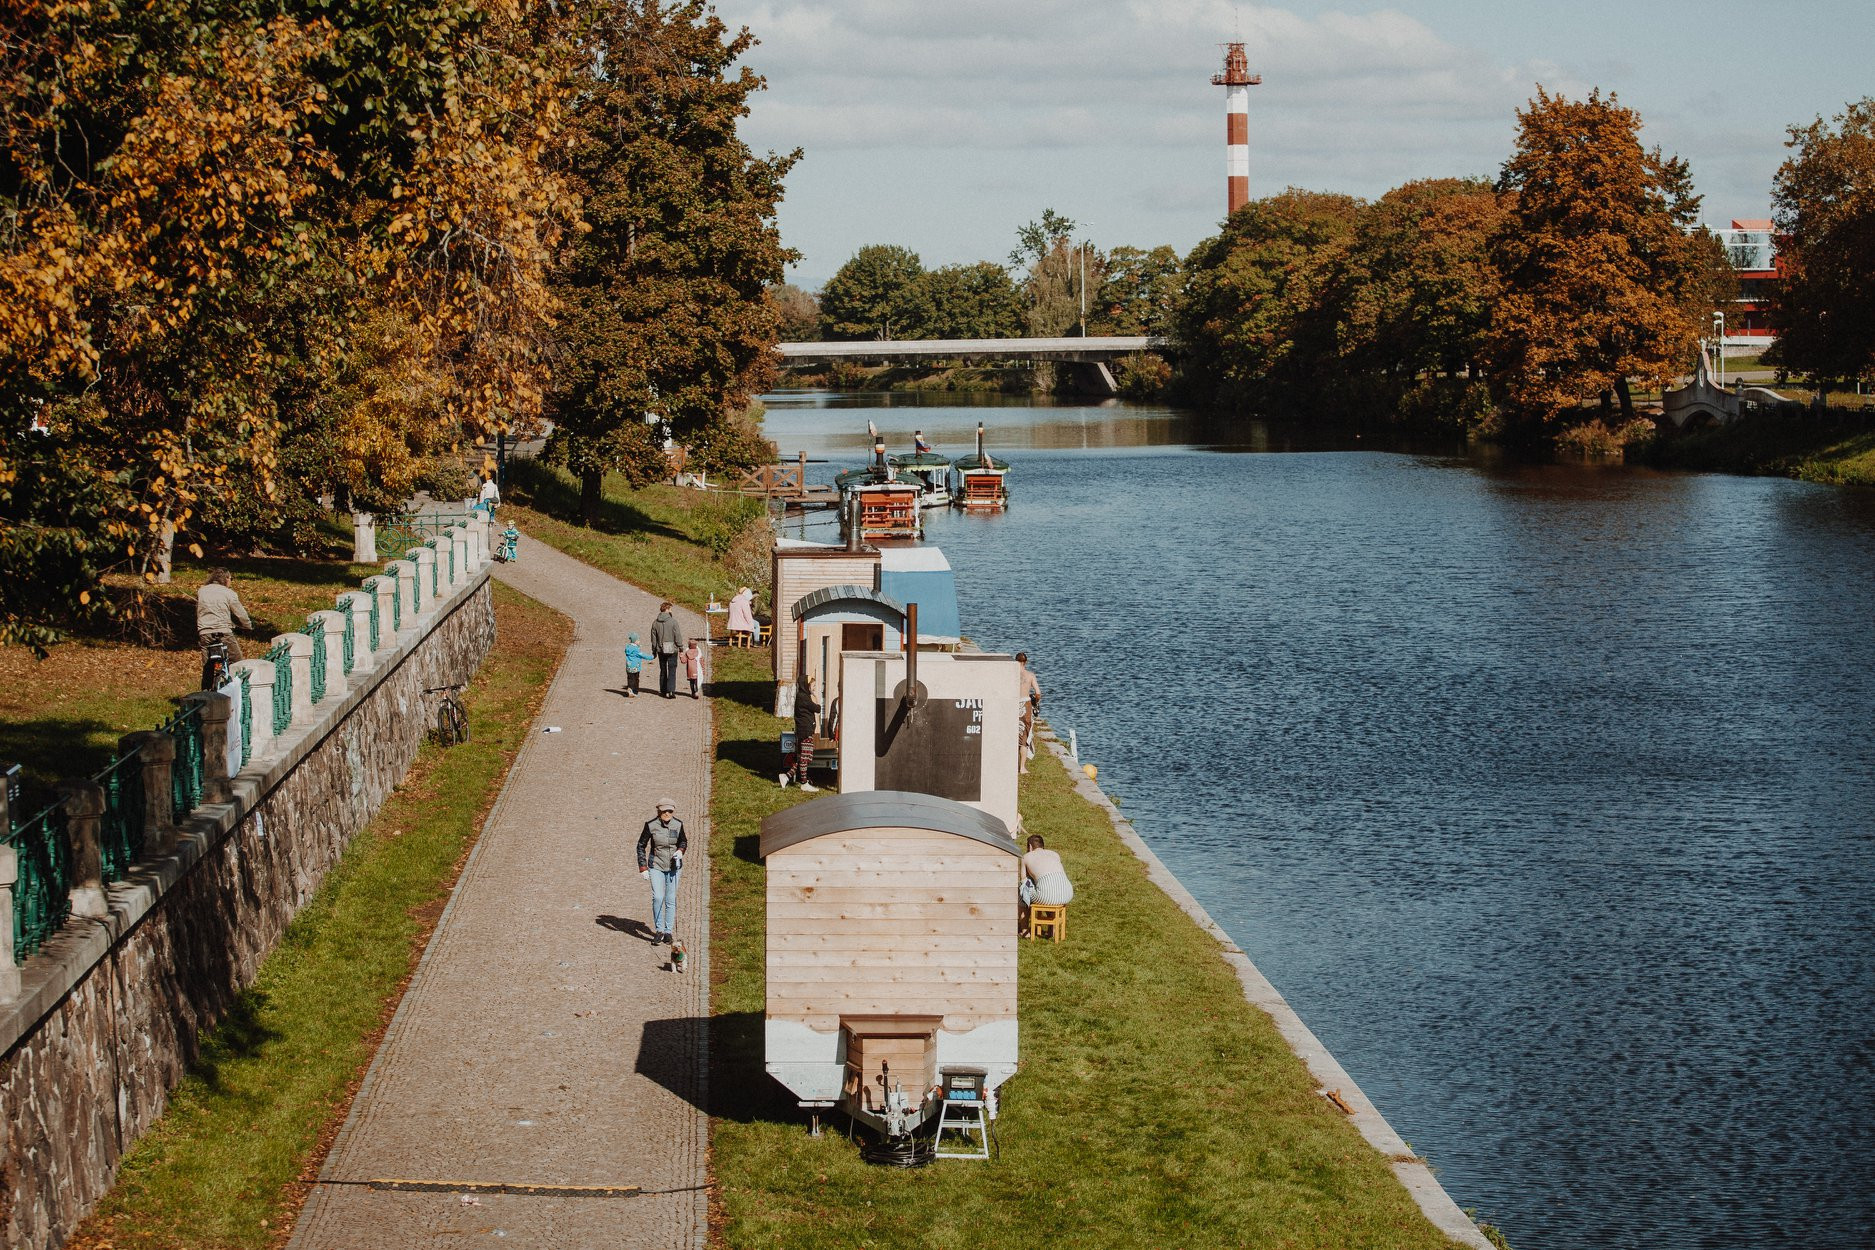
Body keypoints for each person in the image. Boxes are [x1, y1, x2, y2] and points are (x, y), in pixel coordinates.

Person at [636, 799, 687, 944]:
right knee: (658, 897)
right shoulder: (651, 825)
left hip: (673, 867)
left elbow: (683, 841)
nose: (667, 814)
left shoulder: (678, 824)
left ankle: (668, 931)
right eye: (664, 811)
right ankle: (659, 930)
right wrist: (643, 867)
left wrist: (680, 851)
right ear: (659, 812)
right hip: (656, 865)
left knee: (670, 899)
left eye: (670, 811)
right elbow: (641, 846)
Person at [196, 568, 253, 678]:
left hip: (205, 633)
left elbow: (198, 611)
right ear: (226, 578)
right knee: (237, 662)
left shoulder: (202, 591)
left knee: (208, 667)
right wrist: (248, 626)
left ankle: (206, 690)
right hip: (223, 633)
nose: (231, 581)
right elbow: (240, 614)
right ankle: (238, 688)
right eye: (231, 579)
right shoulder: (229, 593)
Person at [781, 675, 821, 792]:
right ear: (806, 685)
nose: (814, 688)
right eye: (813, 686)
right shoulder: (803, 697)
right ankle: (804, 783)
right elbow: (817, 708)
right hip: (805, 731)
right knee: (805, 758)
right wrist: (815, 696)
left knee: (804, 758)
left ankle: (786, 777)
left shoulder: (802, 697)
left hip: (804, 731)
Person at [1020, 833, 1074, 910]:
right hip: (1067, 894)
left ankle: (1023, 920)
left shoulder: (1026, 857)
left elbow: (1023, 880)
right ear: (1042, 845)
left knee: (1024, 887)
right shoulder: (1055, 854)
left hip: (1046, 897)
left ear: (1030, 846)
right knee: (1044, 888)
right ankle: (1051, 921)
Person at [650, 601, 683, 698]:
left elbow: (653, 638)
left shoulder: (655, 623)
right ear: (667, 609)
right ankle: (671, 691)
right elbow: (678, 636)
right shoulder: (673, 622)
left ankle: (663, 690)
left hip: (660, 650)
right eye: (671, 609)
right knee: (672, 670)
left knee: (663, 670)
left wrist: (654, 650)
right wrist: (681, 647)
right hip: (672, 649)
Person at [1016, 651, 1041, 775]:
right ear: (1025, 662)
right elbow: (1038, 693)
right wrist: (1035, 701)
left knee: (1012, 735)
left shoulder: (1010, 675)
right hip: (1025, 706)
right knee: (1024, 737)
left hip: (1012, 705)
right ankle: (1022, 768)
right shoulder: (1030, 675)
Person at [622, 633, 648, 697]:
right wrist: (651, 657)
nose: (639, 641)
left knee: (630, 678)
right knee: (636, 679)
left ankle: (630, 689)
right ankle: (634, 691)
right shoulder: (636, 649)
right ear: (635, 641)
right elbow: (642, 655)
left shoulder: (628, 647)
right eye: (638, 640)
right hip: (636, 667)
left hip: (629, 666)